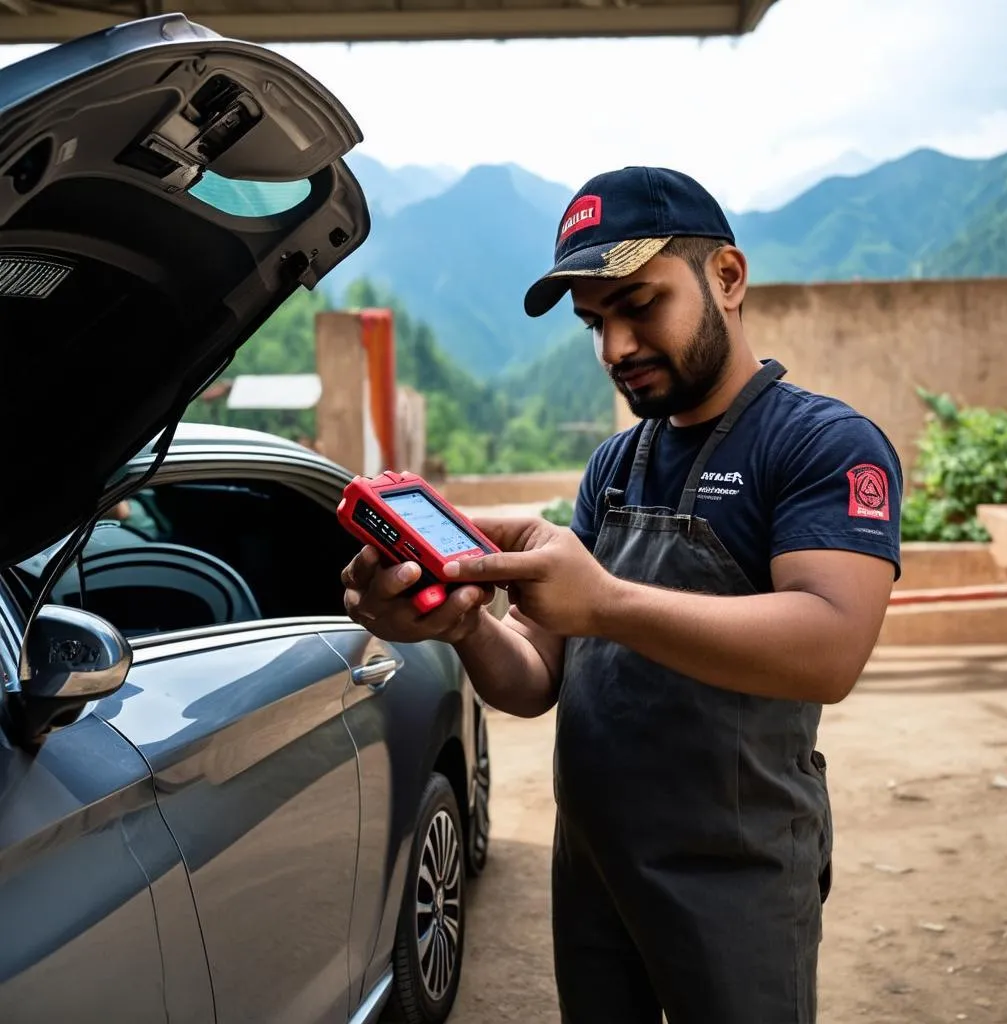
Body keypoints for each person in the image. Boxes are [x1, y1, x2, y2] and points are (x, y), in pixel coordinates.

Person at [341, 166, 903, 1023]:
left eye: (640, 304)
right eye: (596, 323)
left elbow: (831, 648)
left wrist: (605, 601)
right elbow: (536, 681)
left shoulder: (820, 445)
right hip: (595, 862)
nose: (616, 349)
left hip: (735, 872)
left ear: (728, 277)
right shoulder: (615, 465)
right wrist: (464, 628)